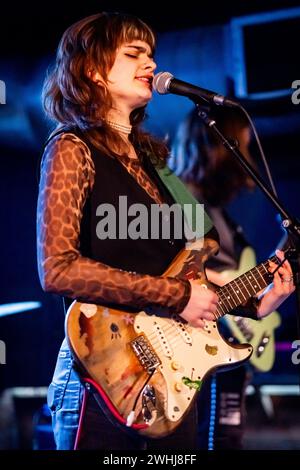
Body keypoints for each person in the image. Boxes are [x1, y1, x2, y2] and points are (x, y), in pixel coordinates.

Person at [36, 12, 295, 451]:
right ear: (93, 70)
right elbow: (57, 270)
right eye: (134, 53)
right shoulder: (72, 148)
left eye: (152, 55)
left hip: (176, 381)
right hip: (103, 375)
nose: (151, 63)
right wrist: (176, 297)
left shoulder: (156, 162)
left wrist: (255, 302)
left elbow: (190, 274)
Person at [169, 105, 290, 449]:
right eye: (239, 146)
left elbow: (233, 275)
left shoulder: (217, 212)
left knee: (226, 438)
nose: (244, 159)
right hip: (190, 351)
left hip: (227, 345)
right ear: (213, 145)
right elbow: (180, 275)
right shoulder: (176, 201)